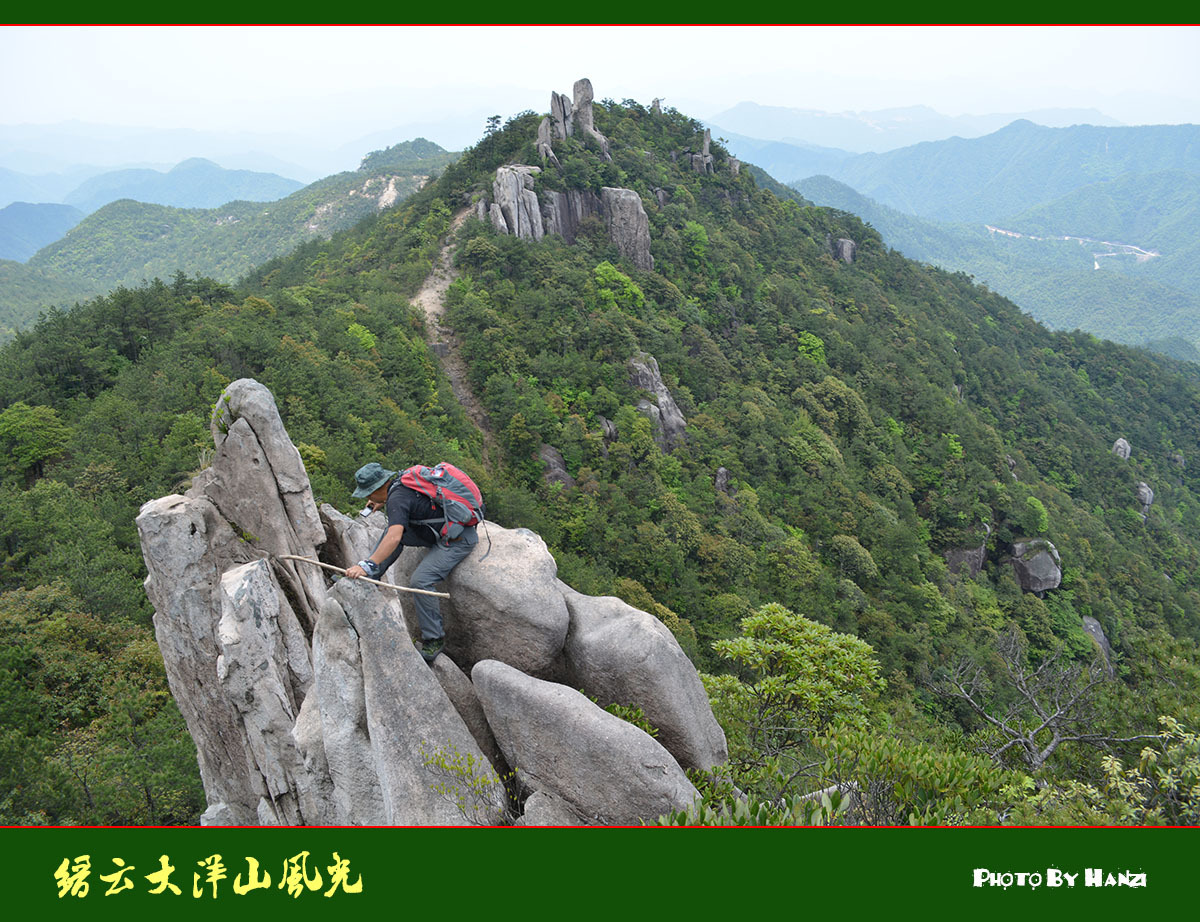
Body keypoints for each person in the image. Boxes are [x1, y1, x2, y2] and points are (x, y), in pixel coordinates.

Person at [344, 461, 478, 663]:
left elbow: (395, 537)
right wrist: (382, 502)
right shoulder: (401, 481)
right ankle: (372, 574)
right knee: (392, 530)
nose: (368, 498)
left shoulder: (397, 498)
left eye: (370, 493)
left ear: (379, 487)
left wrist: (366, 563)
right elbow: (410, 505)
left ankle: (434, 639)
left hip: (458, 540)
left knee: (420, 581)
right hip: (442, 529)